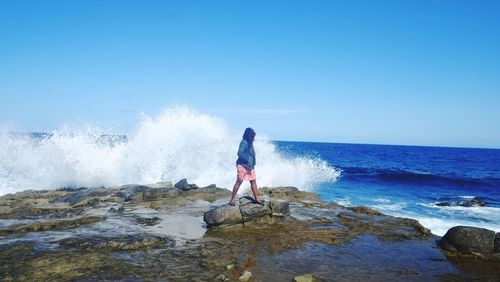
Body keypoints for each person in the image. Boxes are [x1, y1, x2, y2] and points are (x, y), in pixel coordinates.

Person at [229, 128, 263, 206]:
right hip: (242, 165)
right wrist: (247, 159)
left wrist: (253, 164)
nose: (253, 138)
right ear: (248, 136)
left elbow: (253, 155)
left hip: (250, 166)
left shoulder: (250, 143)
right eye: (252, 136)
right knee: (239, 181)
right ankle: (232, 200)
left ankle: (257, 198)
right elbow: (239, 153)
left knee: (253, 181)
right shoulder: (244, 143)